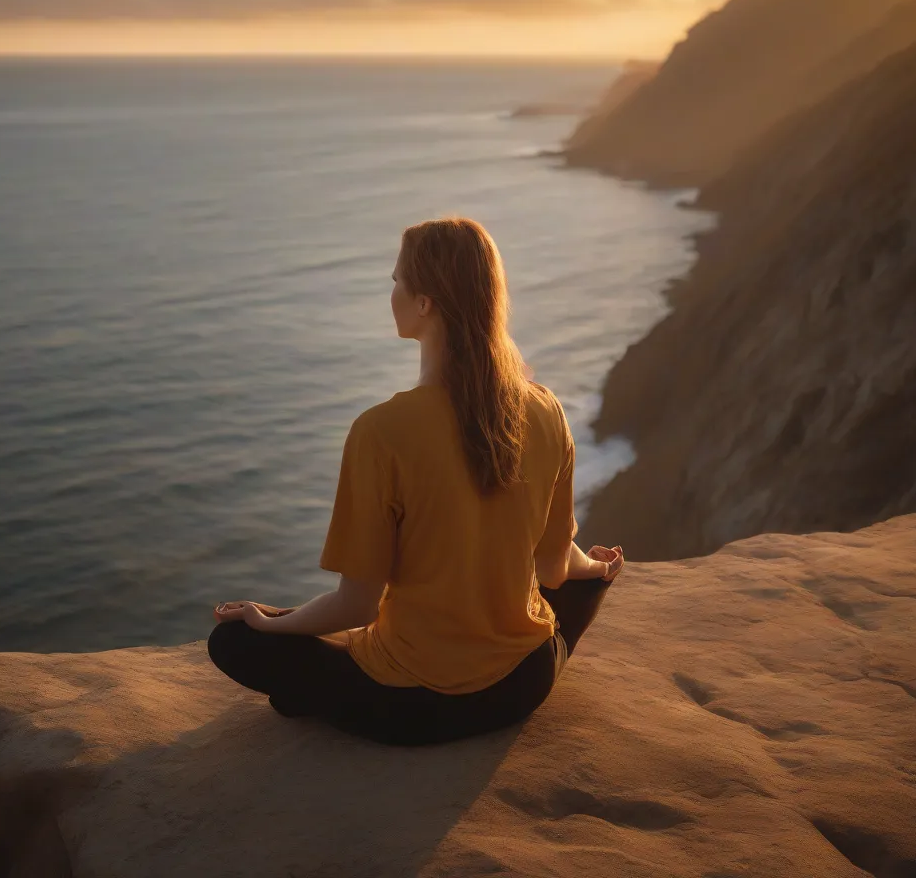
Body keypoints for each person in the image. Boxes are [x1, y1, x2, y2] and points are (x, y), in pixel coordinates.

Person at [208, 217, 624, 746]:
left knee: (234, 641)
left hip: (415, 707)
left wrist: (271, 622)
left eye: (397, 280)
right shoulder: (545, 410)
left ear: (424, 303)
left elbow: (356, 607)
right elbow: (557, 566)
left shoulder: (381, 432)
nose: (393, 292)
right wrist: (600, 570)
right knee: (578, 587)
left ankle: (316, 694)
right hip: (524, 681)